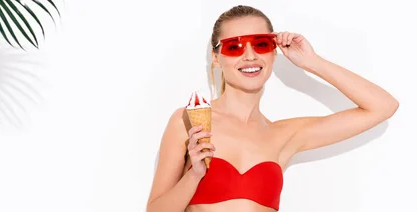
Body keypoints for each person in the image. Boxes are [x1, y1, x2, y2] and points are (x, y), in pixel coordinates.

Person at [146, 5, 399, 212]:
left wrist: (312, 62)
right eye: (234, 47)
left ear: (274, 53)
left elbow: (383, 107)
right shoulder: (189, 122)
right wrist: (193, 177)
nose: (250, 56)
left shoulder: (285, 134)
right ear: (216, 57)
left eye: (261, 44)